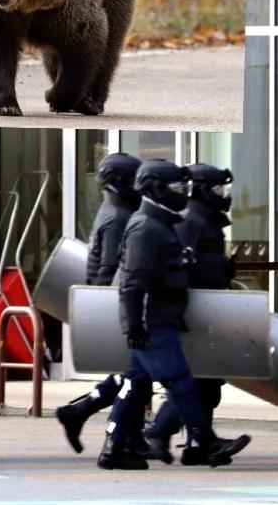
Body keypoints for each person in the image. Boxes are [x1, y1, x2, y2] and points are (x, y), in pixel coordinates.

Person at [98, 159, 250, 470]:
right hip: (153, 322)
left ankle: (113, 449)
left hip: (160, 318)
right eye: (176, 188)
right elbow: (132, 284)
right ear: (155, 189)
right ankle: (205, 442)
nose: (182, 193)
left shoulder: (158, 225)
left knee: (134, 384)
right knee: (182, 383)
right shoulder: (146, 228)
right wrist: (134, 326)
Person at [142, 164, 235, 466]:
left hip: (208, 311)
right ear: (202, 189)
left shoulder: (205, 220)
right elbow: (179, 267)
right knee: (195, 382)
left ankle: (197, 445)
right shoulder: (190, 221)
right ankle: (158, 432)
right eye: (218, 188)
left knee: (208, 383)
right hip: (193, 314)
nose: (223, 195)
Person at [54, 152, 142, 454]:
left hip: (113, 302)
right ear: (120, 183)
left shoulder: (117, 209)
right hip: (115, 303)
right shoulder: (118, 216)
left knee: (134, 371)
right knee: (137, 372)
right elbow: (109, 267)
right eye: (134, 180)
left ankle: (81, 414)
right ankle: (123, 436)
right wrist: (111, 310)